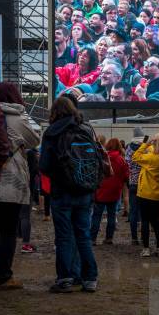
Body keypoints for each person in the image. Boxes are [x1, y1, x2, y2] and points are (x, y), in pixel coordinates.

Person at [39, 97, 99, 292]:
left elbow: (45, 166)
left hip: (62, 192)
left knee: (64, 237)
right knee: (83, 235)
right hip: (85, 190)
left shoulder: (52, 132)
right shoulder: (86, 129)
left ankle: (65, 278)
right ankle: (89, 278)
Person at [0, 84, 40, 289]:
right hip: (11, 182)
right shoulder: (19, 118)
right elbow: (35, 140)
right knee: (8, 231)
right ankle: (4, 275)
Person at [132, 133, 159, 257]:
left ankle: (146, 248)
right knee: (155, 221)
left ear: (157, 143)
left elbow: (135, 156)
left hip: (145, 193)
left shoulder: (151, 158)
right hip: (157, 194)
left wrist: (145, 143)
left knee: (145, 220)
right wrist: (152, 144)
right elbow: (153, 151)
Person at [90, 138, 129, 245]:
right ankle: (109, 238)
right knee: (112, 215)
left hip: (101, 190)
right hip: (115, 191)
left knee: (96, 215)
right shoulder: (121, 160)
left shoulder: (101, 158)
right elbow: (126, 176)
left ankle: (92, 238)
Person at [125, 128, 145, 245]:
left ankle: (134, 238)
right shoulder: (146, 148)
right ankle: (143, 236)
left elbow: (127, 164)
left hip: (133, 182)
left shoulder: (128, 148)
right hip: (145, 183)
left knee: (133, 211)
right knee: (144, 212)